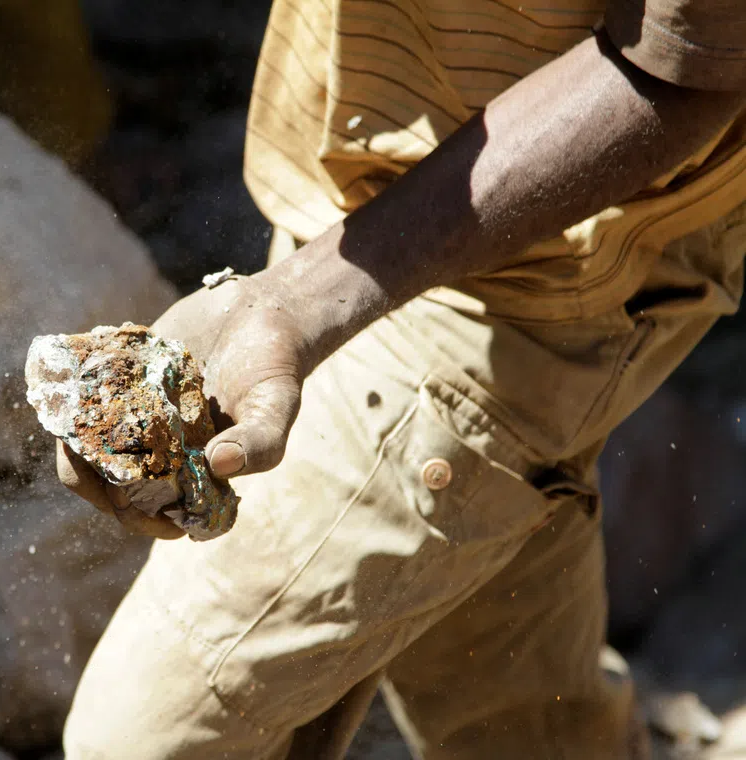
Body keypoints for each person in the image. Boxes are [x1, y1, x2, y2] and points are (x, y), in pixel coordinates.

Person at [58, 0, 746, 757]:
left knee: (140, 742)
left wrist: (296, 303)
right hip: (356, 204)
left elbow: (684, 71)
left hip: (520, 276)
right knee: (503, 691)